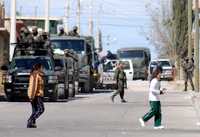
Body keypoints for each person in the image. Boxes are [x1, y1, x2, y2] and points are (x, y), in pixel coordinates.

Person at [27, 63, 45, 128]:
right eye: (42, 67)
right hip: (36, 95)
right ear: (39, 68)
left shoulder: (39, 75)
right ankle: (31, 120)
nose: (43, 69)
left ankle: (32, 124)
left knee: (35, 110)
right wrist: (31, 96)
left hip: (38, 94)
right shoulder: (35, 75)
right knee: (41, 109)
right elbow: (33, 86)